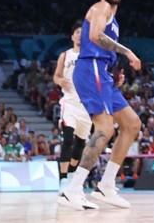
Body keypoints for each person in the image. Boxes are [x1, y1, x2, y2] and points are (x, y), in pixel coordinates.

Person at [61, 0, 142, 211]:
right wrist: (127, 52)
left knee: (132, 124)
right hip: (90, 68)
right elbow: (95, 36)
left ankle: (106, 186)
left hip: (102, 71)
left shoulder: (113, 19)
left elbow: (103, 45)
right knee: (105, 129)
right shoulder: (101, 7)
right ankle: (72, 190)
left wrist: (113, 70)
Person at [52, 23, 94, 205]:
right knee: (67, 139)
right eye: (76, 33)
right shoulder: (65, 55)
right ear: (72, 37)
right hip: (69, 102)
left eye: (81, 33)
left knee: (80, 144)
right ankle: (62, 179)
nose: (79, 35)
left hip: (85, 105)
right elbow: (56, 76)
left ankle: (71, 178)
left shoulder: (90, 55)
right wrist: (61, 82)